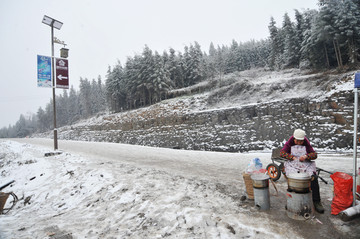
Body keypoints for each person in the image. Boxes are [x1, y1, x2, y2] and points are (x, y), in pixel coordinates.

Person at [280, 129, 324, 213]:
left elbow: (314, 154)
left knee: (313, 178)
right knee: (293, 179)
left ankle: (316, 201)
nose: (299, 143)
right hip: (293, 164)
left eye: (301, 141)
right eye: (297, 141)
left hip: (305, 164)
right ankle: (291, 201)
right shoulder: (290, 142)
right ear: (294, 138)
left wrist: (306, 156)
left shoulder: (306, 142)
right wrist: (292, 157)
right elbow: (282, 153)